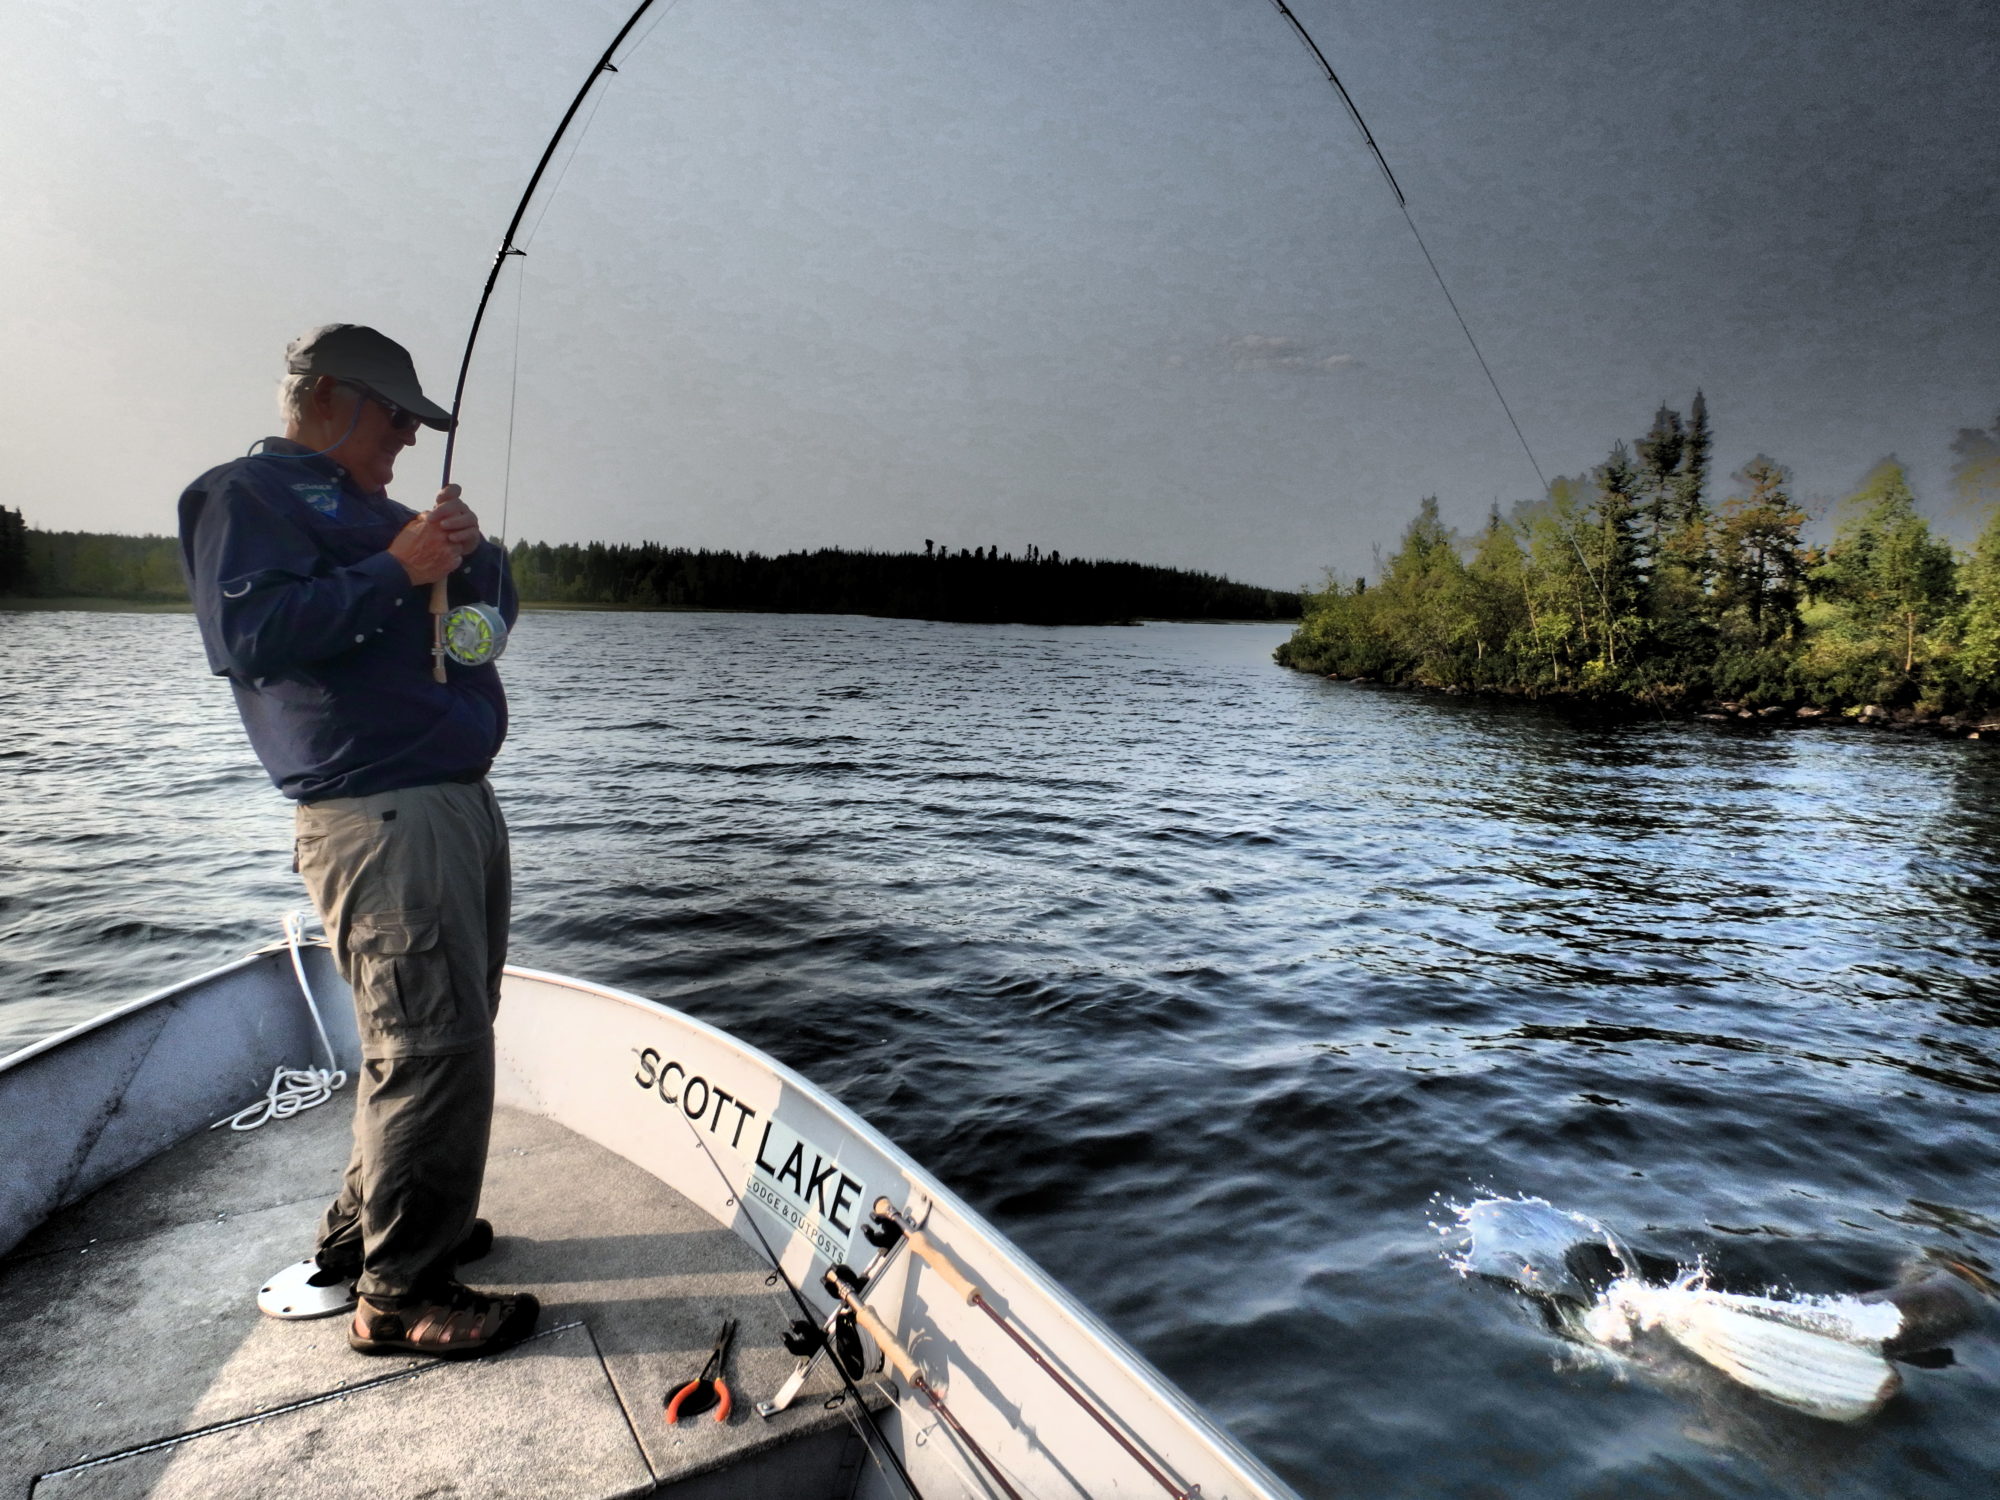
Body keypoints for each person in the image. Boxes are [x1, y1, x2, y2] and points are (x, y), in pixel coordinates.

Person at [177, 323, 536, 1359]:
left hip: (450, 805)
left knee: (439, 1030)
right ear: (328, 398)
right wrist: (397, 564)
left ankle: (371, 1229)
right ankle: (403, 1291)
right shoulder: (245, 498)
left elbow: (471, 636)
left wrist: (477, 567)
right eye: (395, 417)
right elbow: (248, 638)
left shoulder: (384, 516)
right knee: (432, 1044)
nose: (408, 441)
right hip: (382, 815)